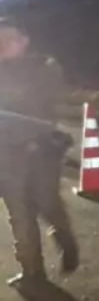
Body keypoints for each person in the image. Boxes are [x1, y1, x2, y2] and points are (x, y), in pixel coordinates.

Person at [0, 24, 79, 286]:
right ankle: (32, 271)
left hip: (40, 151)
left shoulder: (41, 69)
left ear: (24, 41)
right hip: (7, 155)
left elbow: (43, 106)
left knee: (46, 203)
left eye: (9, 38)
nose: (2, 43)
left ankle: (64, 237)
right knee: (19, 214)